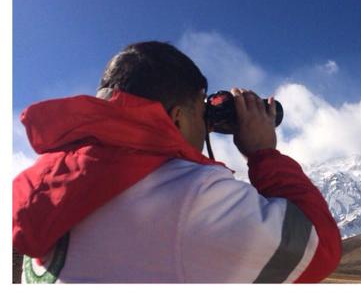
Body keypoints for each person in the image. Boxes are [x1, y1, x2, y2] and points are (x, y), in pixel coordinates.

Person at [12, 41, 342, 283]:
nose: (207, 124)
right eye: (202, 112)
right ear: (178, 117)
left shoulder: (44, 182)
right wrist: (263, 153)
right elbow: (319, 251)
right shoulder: (193, 196)